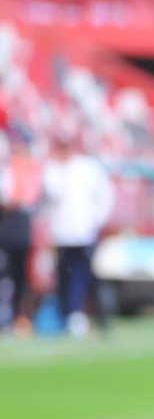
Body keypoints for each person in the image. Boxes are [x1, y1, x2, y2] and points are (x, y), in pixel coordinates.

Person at [41, 133, 114, 336]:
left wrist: (96, 221)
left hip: (84, 233)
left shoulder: (87, 168)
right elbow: (50, 199)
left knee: (88, 277)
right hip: (61, 235)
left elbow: (105, 196)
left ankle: (100, 318)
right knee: (64, 277)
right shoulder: (53, 169)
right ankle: (68, 315)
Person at [0, 137, 38, 332]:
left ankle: (18, 316)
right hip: (6, 225)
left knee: (18, 275)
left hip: (16, 226)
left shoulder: (23, 168)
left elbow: (23, 197)